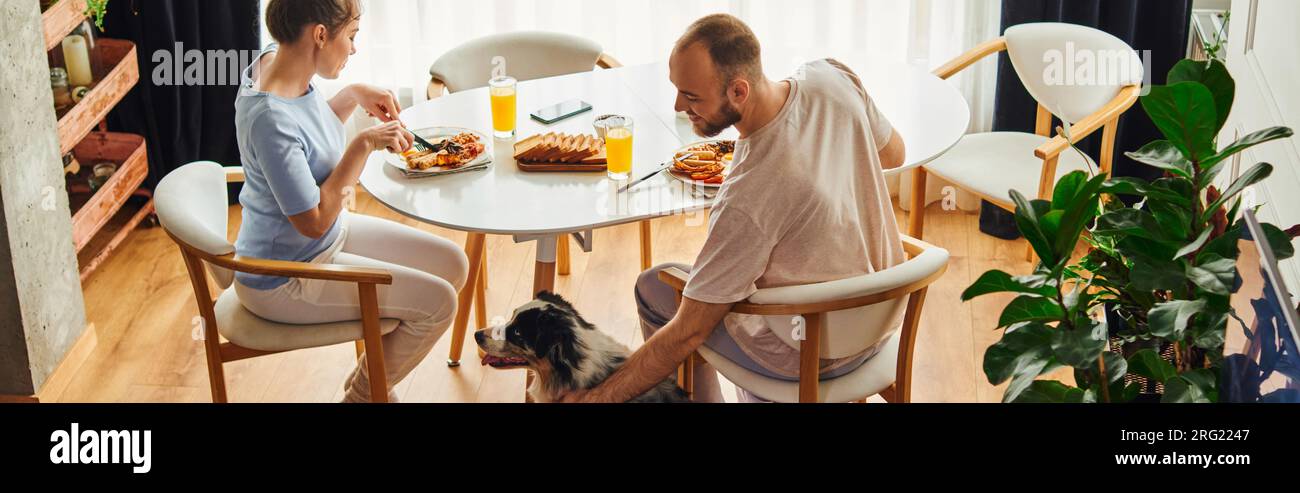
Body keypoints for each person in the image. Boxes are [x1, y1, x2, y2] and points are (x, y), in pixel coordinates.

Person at [562, 13, 907, 403]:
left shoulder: (749, 192)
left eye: (692, 97)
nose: (679, 106)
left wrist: (598, 397)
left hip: (810, 353)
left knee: (654, 288)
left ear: (738, 92)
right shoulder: (832, 78)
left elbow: (688, 331)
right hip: (881, 317)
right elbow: (894, 154)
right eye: (677, 90)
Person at [233, 0, 468, 403]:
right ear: (320, 35)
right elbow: (314, 220)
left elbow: (305, 137)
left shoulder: (277, 60)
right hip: (284, 273)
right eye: (352, 36)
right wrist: (364, 144)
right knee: (438, 303)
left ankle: (371, 382)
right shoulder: (268, 118)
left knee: (453, 264)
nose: (355, 49)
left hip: (323, 242)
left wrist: (352, 95)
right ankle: (365, 395)